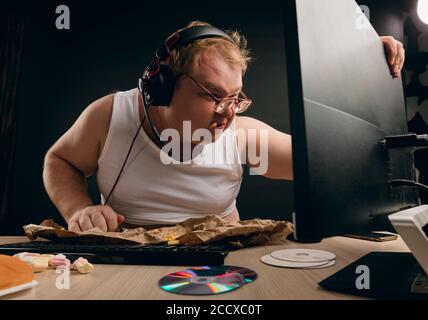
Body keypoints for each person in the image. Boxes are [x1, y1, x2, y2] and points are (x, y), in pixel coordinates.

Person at [42, 21, 405, 232]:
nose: (227, 113)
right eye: (212, 95)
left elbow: (331, 162)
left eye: (235, 98)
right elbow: (61, 160)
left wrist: (364, 63)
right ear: (164, 86)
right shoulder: (110, 117)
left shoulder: (243, 137)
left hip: (220, 268)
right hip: (131, 263)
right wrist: (78, 209)